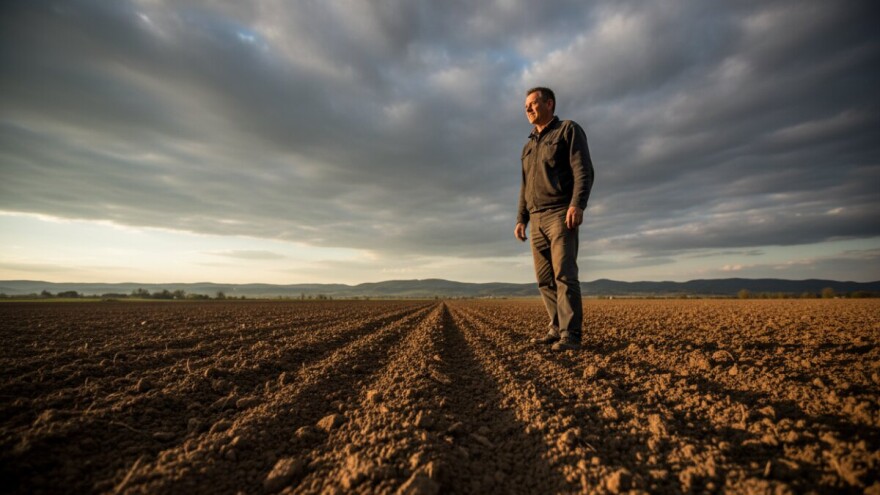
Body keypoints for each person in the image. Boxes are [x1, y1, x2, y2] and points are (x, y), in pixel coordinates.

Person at [515, 87, 594, 351]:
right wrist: (521, 219)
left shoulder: (568, 130)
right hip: (536, 218)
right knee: (545, 280)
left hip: (560, 212)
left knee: (565, 275)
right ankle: (556, 328)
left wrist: (577, 204)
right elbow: (524, 186)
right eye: (525, 105)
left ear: (549, 103)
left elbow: (583, 170)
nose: (528, 108)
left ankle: (571, 335)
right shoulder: (528, 146)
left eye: (533, 103)